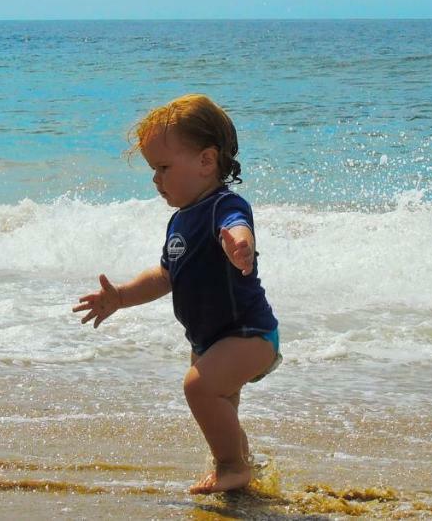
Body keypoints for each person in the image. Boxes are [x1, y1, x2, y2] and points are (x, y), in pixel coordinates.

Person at [73, 94, 280, 495]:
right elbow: (166, 275)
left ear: (206, 161)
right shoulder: (179, 220)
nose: (156, 179)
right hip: (208, 339)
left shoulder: (224, 204)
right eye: (153, 170)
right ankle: (242, 469)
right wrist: (121, 297)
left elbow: (238, 225)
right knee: (220, 406)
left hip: (248, 333)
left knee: (198, 389)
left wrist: (241, 245)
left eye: (163, 168)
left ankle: (232, 466)